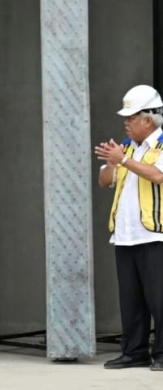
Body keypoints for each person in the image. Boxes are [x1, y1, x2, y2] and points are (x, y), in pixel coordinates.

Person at [95, 84, 163, 371]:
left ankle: (161, 355)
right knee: (131, 301)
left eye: (131, 117)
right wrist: (112, 162)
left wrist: (123, 160)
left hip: (155, 235)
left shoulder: (160, 145)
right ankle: (133, 352)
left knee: (159, 300)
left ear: (148, 119)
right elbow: (104, 182)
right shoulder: (124, 147)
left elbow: (158, 176)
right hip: (125, 237)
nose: (126, 122)